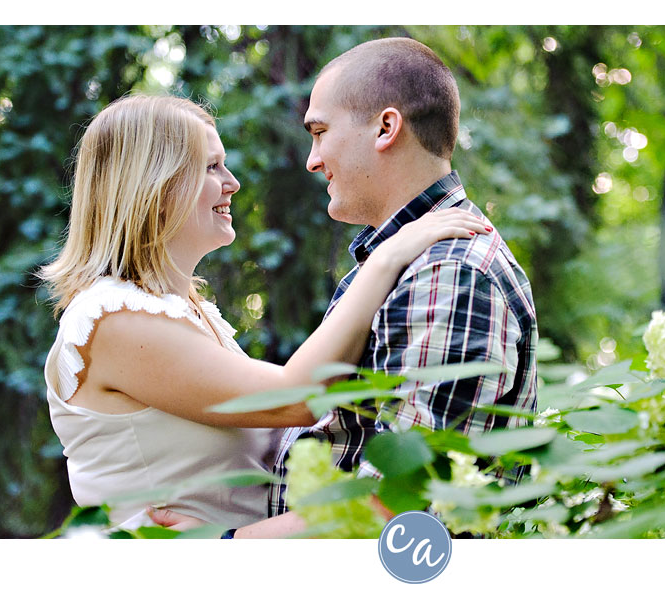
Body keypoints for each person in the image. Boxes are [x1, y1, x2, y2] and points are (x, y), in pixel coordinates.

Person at [39, 93, 490, 530]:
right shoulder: (111, 321)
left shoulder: (185, 313)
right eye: (211, 167)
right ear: (154, 185)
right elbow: (295, 400)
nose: (232, 183)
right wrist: (388, 259)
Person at [152, 37, 538, 538]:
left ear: (385, 128)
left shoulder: (450, 272)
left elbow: (405, 503)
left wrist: (225, 549)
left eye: (320, 131)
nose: (312, 160)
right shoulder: (401, 262)